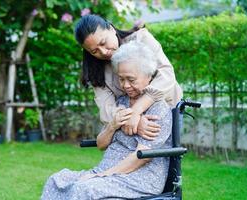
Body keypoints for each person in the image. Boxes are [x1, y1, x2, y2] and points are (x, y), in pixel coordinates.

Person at [41, 41, 172, 200]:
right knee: (56, 180)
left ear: (149, 76)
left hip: (139, 178)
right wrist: (112, 125)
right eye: (121, 79)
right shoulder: (122, 102)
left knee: (83, 190)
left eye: (131, 79)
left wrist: (103, 176)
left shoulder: (158, 109)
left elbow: (143, 156)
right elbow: (101, 145)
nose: (125, 85)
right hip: (107, 172)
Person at [74, 14, 182, 141]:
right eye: (94, 51)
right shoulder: (96, 72)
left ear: (111, 29)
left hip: (167, 112)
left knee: (165, 158)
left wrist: (137, 110)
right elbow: (107, 109)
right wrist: (131, 119)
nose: (103, 52)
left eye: (103, 43)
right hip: (126, 124)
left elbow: (166, 75)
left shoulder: (141, 39)